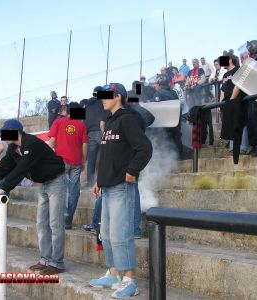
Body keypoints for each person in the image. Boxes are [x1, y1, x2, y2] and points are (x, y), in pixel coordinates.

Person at [0, 119, 67, 275]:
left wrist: (4, 188)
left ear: (16, 131)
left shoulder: (32, 143)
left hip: (56, 181)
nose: (3, 135)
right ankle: (45, 260)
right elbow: (3, 168)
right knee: (41, 223)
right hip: (43, 184)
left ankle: (57, 263)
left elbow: (22, 169)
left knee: (55, 223)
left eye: (6, 132)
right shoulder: (13, 148)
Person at [89, 83, 152, 298]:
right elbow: (107, 156)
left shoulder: (128, 119)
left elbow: (145, 148)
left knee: (120, 234)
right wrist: (98, 180)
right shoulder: (110, 122)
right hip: (107, 187)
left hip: (121, 187)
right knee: (105, 233)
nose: (102, 100)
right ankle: (114, 273)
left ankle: (129, 280)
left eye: (106, 96)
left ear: (118, 96)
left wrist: (132, 171)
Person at [48, 102, 88, 229]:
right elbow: (85, 145)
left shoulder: (58, 122)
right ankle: (68, 220)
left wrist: (47, 157)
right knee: (74, 191)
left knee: (58, 187)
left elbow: (52, 141)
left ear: (67, 110)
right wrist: (83, 161)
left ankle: (64, 211)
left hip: (61, 161)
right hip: (76, 162)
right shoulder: (81, 125)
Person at [220, 54, 249, 155]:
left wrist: (232, 99)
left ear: (230, 60)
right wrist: (221, 103)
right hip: (228, 102)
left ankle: (242, 147)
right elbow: (223, 90)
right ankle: (233, 147)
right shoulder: (225, 74)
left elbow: (238, 86)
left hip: (238, 100)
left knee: (240, 122)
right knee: (231, 123)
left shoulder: (238, 70)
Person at [82, 86, 105, 188]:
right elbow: (102, 122)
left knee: (91, 160)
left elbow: (82, 120)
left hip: (89, 133)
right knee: (103, 158)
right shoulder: (102, 103)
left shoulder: (87, 104)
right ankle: (102, 182)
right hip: (100, 132)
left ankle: (90, 184)